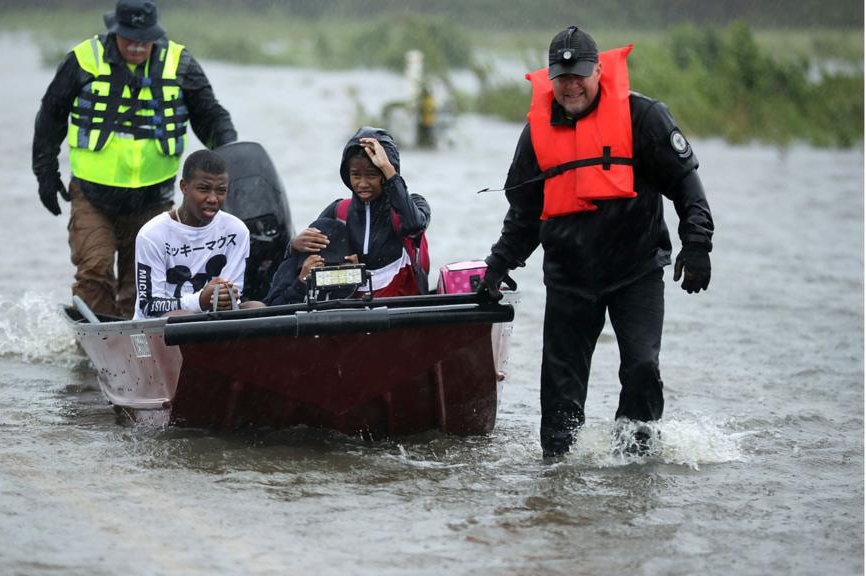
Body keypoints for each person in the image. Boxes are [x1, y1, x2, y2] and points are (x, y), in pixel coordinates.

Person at [480, 26, 714, 459]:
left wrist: (696, 243)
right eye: (562, 76)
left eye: (579, 75)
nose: (570, 85)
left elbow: (687, 185)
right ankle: (557, 477)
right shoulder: (537, 132)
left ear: (599, 71)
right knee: (560, 395)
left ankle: (636, 460)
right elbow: (526, 213)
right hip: (569, 278)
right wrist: (499, 265)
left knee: (642, 367)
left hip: (636, 272)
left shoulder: (643, 117)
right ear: (550, 77)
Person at [32, 0, 237, 318]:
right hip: (92, 195)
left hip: (154, 198)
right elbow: (51, 115)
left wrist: (232, 156)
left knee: (142, 285)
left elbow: (211, 117)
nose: (138, 46)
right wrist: (45, 172)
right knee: (95, 269)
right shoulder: (85, 59)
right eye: (129, 38)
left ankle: (132, 350)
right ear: (115, 31)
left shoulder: (179, 63)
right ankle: (92, 354)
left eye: (145, 39)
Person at [290, 127, 430, 298]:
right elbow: (303, 264)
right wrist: (293, 246)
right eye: (356, 175)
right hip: (353, 311)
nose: (362, 184)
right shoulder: (338, 212)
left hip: (400, 309)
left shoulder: (414, 205)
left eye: (371, 175)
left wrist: (387, 168)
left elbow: (414, 225)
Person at [133, 150, 255, 319]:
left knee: (256, 308)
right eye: (203, 189)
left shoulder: (236, 230)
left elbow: (232, 297)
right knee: (184, 317)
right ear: (184, 187)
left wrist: (223, 296)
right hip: (163, 324)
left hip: (212, 320)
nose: (213, 199)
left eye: (221, 190)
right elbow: (149, 305)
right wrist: (199, 301)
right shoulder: (152, 234)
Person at [263, 217, 356, 306]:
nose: (324, 267)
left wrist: (352, 278)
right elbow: (273, 307)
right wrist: (300, 284)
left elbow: (343, 303)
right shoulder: (290, 267)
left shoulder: (343, 269)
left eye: (331, 263)